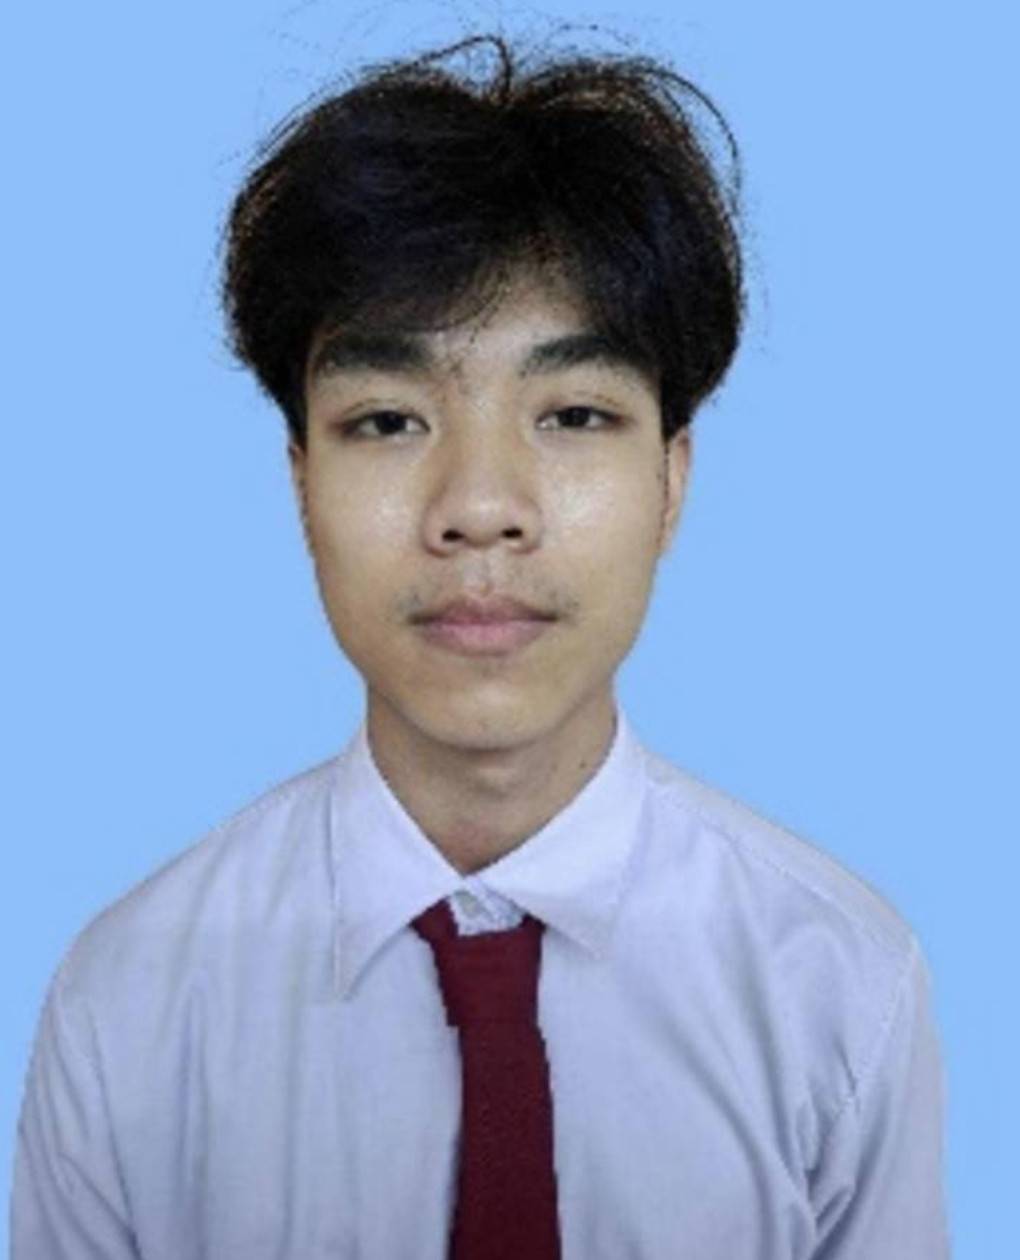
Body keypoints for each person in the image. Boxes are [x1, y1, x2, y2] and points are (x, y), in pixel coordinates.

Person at [10, 32, 950, 1259]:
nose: (480, 507)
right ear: (300, 482)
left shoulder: (839, 986)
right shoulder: (130, 1002)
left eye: (574, 413)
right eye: (388, 420)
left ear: (672, 481)